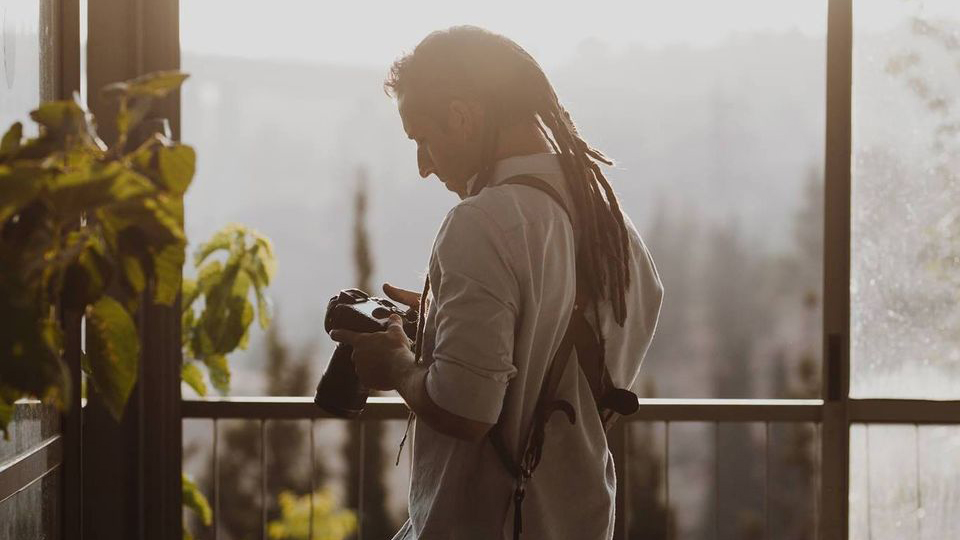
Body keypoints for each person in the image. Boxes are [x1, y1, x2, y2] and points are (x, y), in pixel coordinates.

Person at [330, 26, 663, 540]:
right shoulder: (609, 221)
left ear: (462, 117)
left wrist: (395, 363)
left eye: (422, 139)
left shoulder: (482, 223)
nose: (422, 166)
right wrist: (450, 322)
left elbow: (466, 410)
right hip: (580, 519)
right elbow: (590, 340)